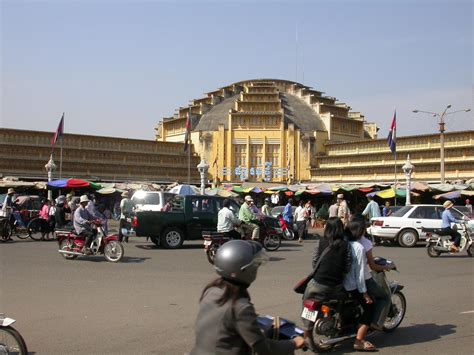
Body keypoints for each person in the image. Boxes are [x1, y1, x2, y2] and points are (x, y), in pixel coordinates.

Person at [191, 240, 305, 354]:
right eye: (255, 265)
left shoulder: (212, 291)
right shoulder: (240, 306)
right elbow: (263, 348)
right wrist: (293, 343)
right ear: (245, 270)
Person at [302, 217, 352, 340]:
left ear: (327, 228)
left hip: (317, 283)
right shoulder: (346, 245)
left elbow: (315, 261)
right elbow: (348, 265)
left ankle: (307, 331)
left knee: (307, 301)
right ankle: (340, 321)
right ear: (341, 229)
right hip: (336, 285)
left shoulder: (321, 242)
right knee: (346, 299)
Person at [351, 215, 393, 330]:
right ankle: (375, 322)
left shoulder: (345, 240)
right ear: (362, 229)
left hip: (346, 278)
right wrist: (386, 267)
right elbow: (372, 265)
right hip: (362, 278)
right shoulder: (364, 244)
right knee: (384, 297)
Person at [344, 220, 377, 351]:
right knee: (370, 306)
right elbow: (360, 274)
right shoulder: (359, 247)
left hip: (339, 283)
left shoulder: (343, 243)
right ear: (360, 231)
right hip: (352, 285)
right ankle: (359, 340)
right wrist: (365, 293)